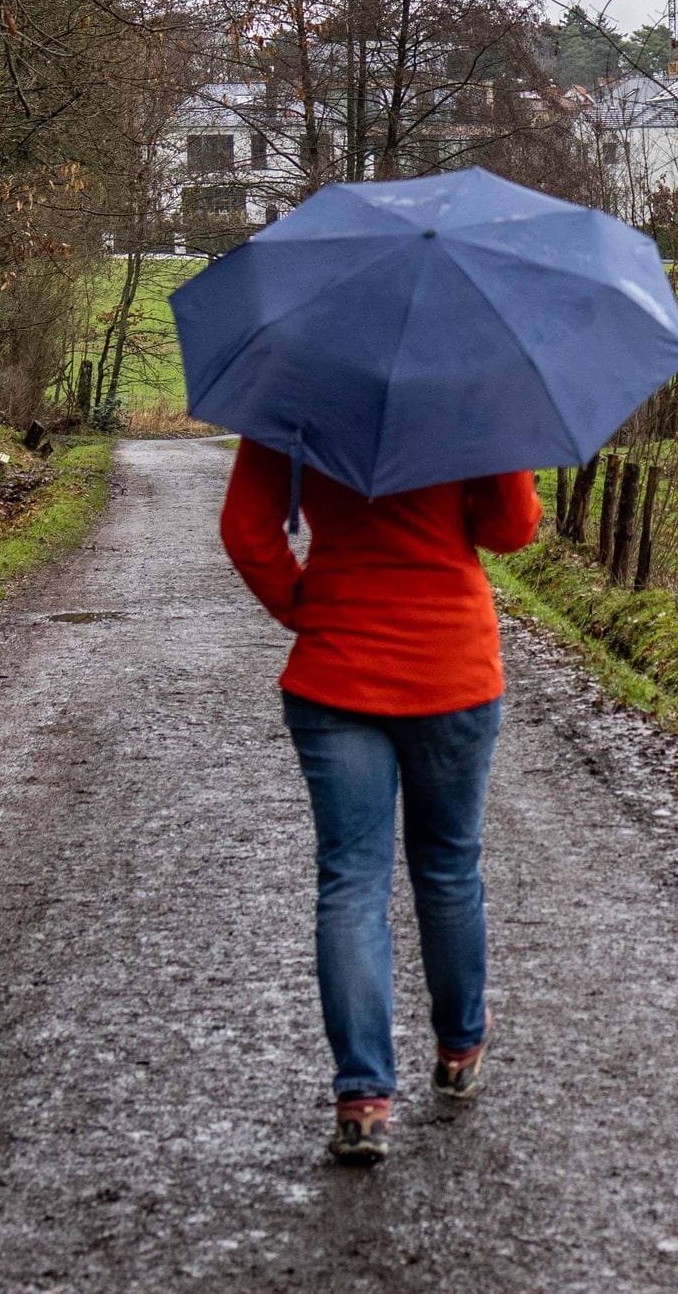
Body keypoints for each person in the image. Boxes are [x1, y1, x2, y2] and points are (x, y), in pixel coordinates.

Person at [220, 438, 540, 1163]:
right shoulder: (467, 392)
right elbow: (511, 529)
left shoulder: (299, 388)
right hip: (452, 670)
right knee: (449, 869)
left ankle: (363, 1099)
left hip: (337, 670)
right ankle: (459, 1051)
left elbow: (245, 528)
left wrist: (302, 604)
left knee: (351, 883)